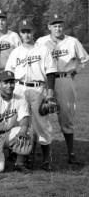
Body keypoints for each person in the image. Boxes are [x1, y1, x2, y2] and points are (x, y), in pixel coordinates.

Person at [35, 14, 89, 165]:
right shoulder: (41, 41)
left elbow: (84, 58)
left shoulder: (72, 41)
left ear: (63, 26)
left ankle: (71, 152)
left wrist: (74, 72)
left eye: (60, 25)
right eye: (54, 25)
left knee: (66, 115)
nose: (57, 28)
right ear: (49, 27)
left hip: (65, 79)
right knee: (41, 114)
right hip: (46, 80)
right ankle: (37, 152)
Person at [5, 19, 58, 170]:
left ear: (33, 32)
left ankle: (47, 159)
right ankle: (25, 156)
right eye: (23, 31)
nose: (26, 34)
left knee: (41, 124)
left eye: (29, 31)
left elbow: (51, 72)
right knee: (21, 122)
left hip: (38, 89)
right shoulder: (16, 52)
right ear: (20, 33)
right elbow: (9, 73)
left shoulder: (43, 49)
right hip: (19, 89)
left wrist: (50, 94)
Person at [0, 71, 31, 173]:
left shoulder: (20, 99)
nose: (9, 85)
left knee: (27, 130)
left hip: (9, 134)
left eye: (11, 82)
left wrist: (22, 132)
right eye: (6, 83)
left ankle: (19, 163)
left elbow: (24, 119)